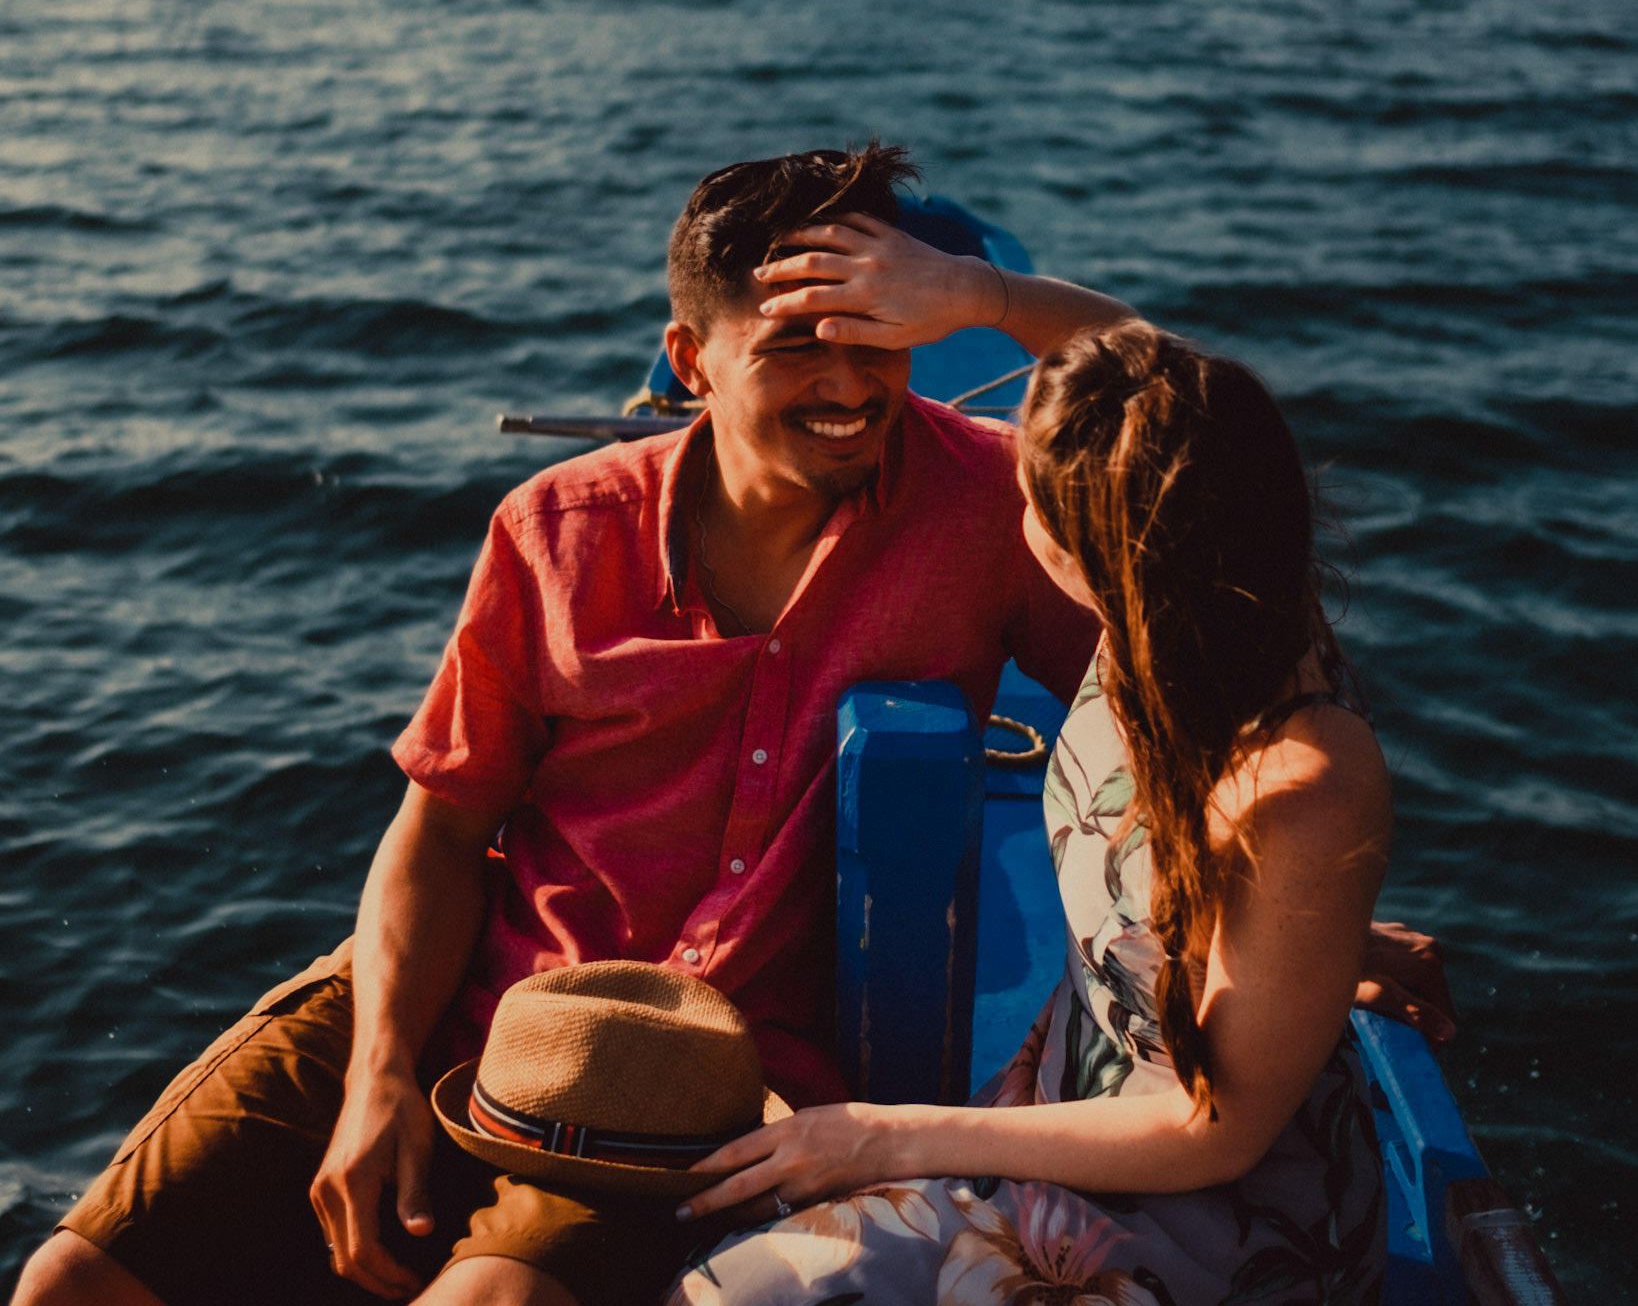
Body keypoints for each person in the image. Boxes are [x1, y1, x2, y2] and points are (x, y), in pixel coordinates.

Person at [15, 147, 1446, 1306]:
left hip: (706, 1063)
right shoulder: (552, 530)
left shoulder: (988, 504)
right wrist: (378, 1075)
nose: (848, 384)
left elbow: (1189, 442)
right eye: (795, 347)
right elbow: (438, 834)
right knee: (68, 1277)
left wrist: (980, 295)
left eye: (876, 340)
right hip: (476, 984)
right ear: (688, 359)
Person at [657, 241, 1394, 1305]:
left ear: (1098, 547)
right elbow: (1158, 383)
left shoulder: (1300, 779)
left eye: (1035, 498)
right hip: (1061, 1113)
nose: (1017, 509)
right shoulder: (1185, 612)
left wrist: (884, 1136)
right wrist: (977, 294)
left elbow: (1212, 1127)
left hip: (1208, 1219)